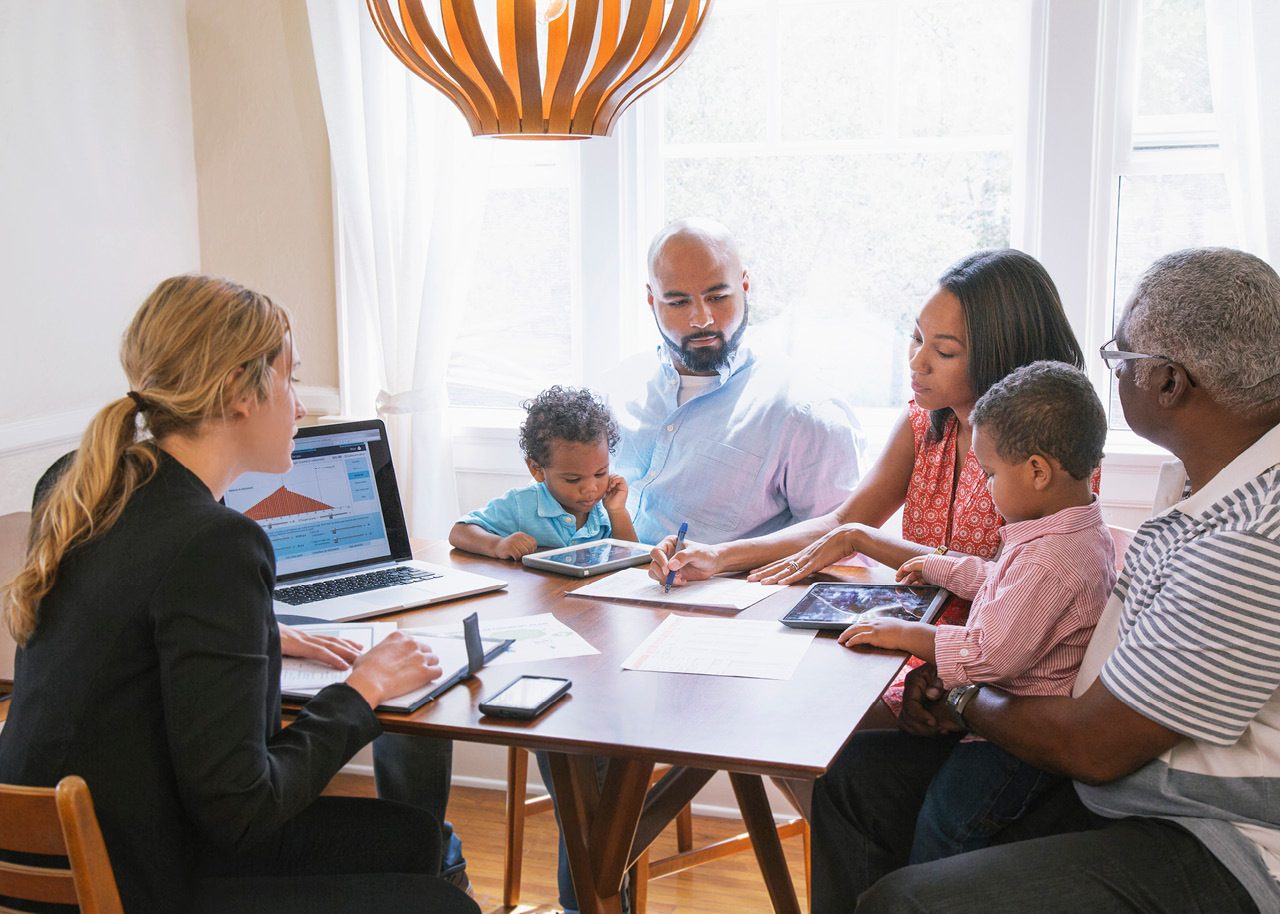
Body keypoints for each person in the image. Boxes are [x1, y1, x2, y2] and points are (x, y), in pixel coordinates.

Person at [810, 247, 1280, 914]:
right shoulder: (1207, 478)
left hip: (1215, 837)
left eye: (1123, 358)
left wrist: (959, 699)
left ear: (1170, 383)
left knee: (908, 901)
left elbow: (1092, 744)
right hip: (1133, 775)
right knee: (852, 786)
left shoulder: (1253, 537)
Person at [0, 275, 477, 914]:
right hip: (134, 880)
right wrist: (362, 691)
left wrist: (258, 632)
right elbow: (242, 811)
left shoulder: (82, 485)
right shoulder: (216, 541)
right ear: (237, 393)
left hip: (41, 858)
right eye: (292, 380)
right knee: (444, 905)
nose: (301, 407)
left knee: (412, 837)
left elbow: (127, 625)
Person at [838, 360, 1115, 864]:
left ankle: (928, 894)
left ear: (1036, 471)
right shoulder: (1065, 532)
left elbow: (990, 655)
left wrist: (904, 635)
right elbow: (1000, 581)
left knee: (949, 825)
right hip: (999, 724)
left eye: (988, 473)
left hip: (1015, 746)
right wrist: (942, 568)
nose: (984, 487)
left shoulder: (1053, 558)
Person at [611, 217, 865, 546]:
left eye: (717, 297)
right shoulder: (614, 392)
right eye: (677, 302)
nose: (701, 319)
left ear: (745, 286)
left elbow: (839, 553)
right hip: (596, 591)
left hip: (719, 596)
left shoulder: (805, 414)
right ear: (651, 299)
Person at [449, 385, 637, 557]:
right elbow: (459, 531)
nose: (590, 488)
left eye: (600, 474)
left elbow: (631, 559)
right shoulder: (523, 504)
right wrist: (498, 544)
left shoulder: (604, 509)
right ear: (537, 470)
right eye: (573, 479)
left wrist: (618, 512)